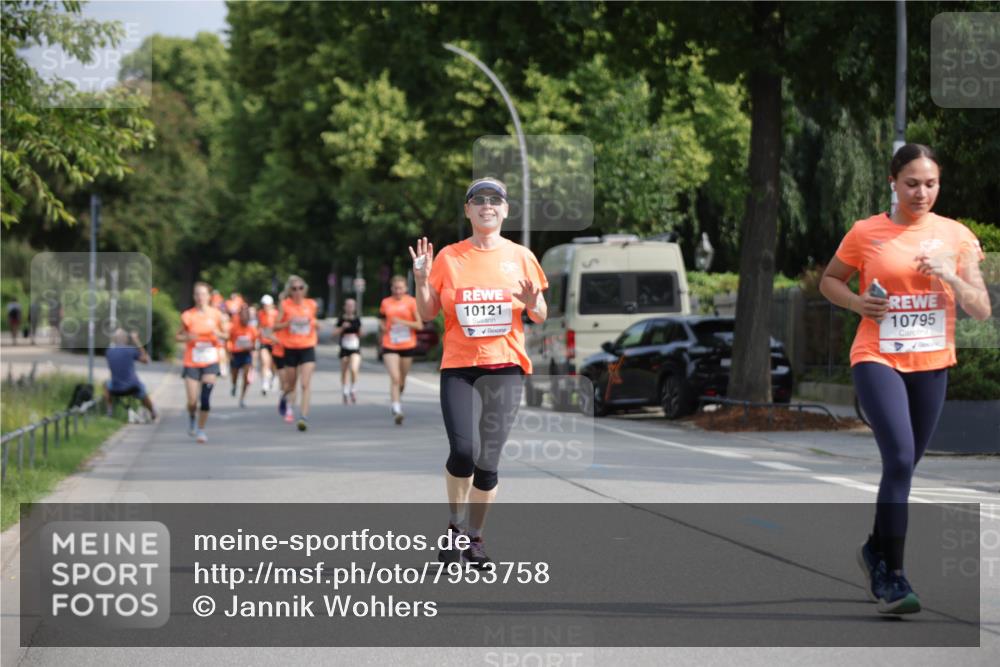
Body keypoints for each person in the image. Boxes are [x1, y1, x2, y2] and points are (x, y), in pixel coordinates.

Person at [819, 144, 990, 615]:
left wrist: (951, 278)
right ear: (893, 182)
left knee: (907, 464)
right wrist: (857, 304)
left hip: (932, 362)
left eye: (930, 184)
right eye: (912, 183)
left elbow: (981, 308)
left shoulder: (956, 236)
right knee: (897, 457)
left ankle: (875, 548)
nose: (921, 192)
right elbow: (829, 281)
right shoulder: (866, 232)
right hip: (878, 356)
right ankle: (892, 576)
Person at [410, 177, 548, 568]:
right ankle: (455, 526)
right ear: (468, 210)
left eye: (495, 200)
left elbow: (540, 314)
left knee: (489, 460)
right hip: (459, 367)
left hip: (505, 366)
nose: (487, 205)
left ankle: (475, 539)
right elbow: (426, 313)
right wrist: (421, 281)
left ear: (505, 210)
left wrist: (533, 302)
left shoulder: (521, 256)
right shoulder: (449, 257)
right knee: (464, 451)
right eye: (479, 200)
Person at [176, 282, 229, 443]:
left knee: (205, 397)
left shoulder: (216, 314)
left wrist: (218, 332)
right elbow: (177, 336)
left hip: (210, 360)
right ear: (194, 297)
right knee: (192, 401)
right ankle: (192, 416)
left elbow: (226, 336)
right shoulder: (188, 315)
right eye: (197, 294)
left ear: (209, 296)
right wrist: (187, 338)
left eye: (203, 294)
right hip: (192, 361)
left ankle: (201, 429)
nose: (200, 297)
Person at [273, 276, 318, 431]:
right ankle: (284, 396)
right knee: (290, 385)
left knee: (305, 384)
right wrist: (288, 323)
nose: (297, 291)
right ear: (289, 291)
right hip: (290, 348)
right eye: (294, 289)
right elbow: (275, 326)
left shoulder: (311, 304)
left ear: (304, 289)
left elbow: (314, 322)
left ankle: (303, 417)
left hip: (307, 347)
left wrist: (314, 324)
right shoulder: (285, 305)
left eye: (300, 288)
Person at [379, 276, 422, 424]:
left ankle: (397, 397)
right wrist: (383, 326)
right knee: (395, 378)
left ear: (406, 289)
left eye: (401, 288)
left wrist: (402, 322)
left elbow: (419, 325)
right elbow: (382, 320)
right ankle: (396, 409)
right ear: (391, 288)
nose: (398, 291)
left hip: (407, 345)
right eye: (395, 288)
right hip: (390, 344)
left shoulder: (411, 302)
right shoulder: (386, 302)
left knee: (402, 380)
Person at [103, 328, 157, 421]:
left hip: (115, 387)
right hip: (132, 386)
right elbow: (146, 360)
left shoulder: (109, 352)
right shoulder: (130, 350)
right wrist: (136, 340)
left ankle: (109, 411)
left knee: (106, 384)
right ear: (126, 339)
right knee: (143, 390)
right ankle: (152, 412)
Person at [227, 303, 258, 408]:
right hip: (235, 354)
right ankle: (234, 385)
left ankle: (242, 398)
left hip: (246, 355)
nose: (244, 318)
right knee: (234, 375)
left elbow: (255, 344)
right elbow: (229, 340)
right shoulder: (234, 328)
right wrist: (230, 352)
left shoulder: (252, 329)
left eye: (246, 316)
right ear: (239, 317)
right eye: (242, 316)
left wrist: (252, 349)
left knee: (246, 377)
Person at [334, 297, 363, 404]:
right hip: (344, 348)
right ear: (345, 307)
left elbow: (361, 333)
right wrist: (342, 327)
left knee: (354, 369)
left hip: (355, 348)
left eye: (352, 305)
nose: (350, 307)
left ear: (355, 307)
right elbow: (334, 333)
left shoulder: (357, 319)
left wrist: (358, 333)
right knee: (344, 370)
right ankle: (345, 390)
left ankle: (353, 389)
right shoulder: (341, 319)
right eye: (348, 305)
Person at [257, 295, 278, 395]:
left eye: (267, 305)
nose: (265, 307)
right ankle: (265, 383)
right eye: (264, 305)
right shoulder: (260, 314)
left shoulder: (276, 314)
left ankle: (274, 378)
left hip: (274, 343)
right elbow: (259, 327)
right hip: (264, 342)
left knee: (274, 365)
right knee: (265, 363)